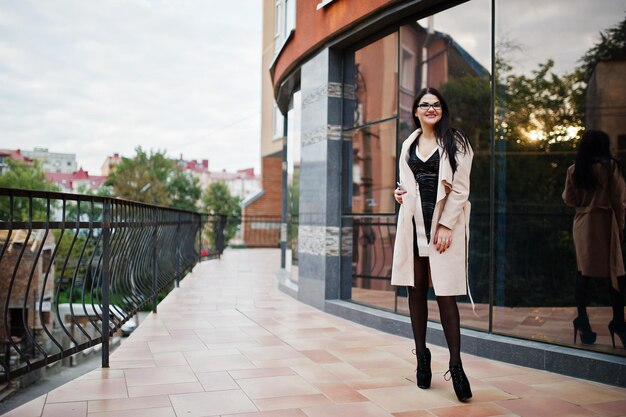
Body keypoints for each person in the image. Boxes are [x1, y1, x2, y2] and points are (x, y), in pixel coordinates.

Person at [391, 87, 473, 402]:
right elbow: (405, 183)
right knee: (416, 291)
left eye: (436, 104)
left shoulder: (457, 142)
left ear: (443, 109)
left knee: (446, 297)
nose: (430, 108)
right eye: (424, 104)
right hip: (414, 229)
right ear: (416, 111)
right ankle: (422, 357)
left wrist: (445, 225)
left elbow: (462, 189)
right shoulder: (408, 143)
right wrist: (399, 194)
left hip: (441, 230)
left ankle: (456, 364)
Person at [562, 129, 626, 349]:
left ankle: (583, 320)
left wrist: (584, 203)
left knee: (583, 274)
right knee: (615, 273)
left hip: (583, 225)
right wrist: (622, 227)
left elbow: (569, 199)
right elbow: (620, 200)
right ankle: (618, 321)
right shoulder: (611, 168)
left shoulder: (574, 170)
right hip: (606, 224)